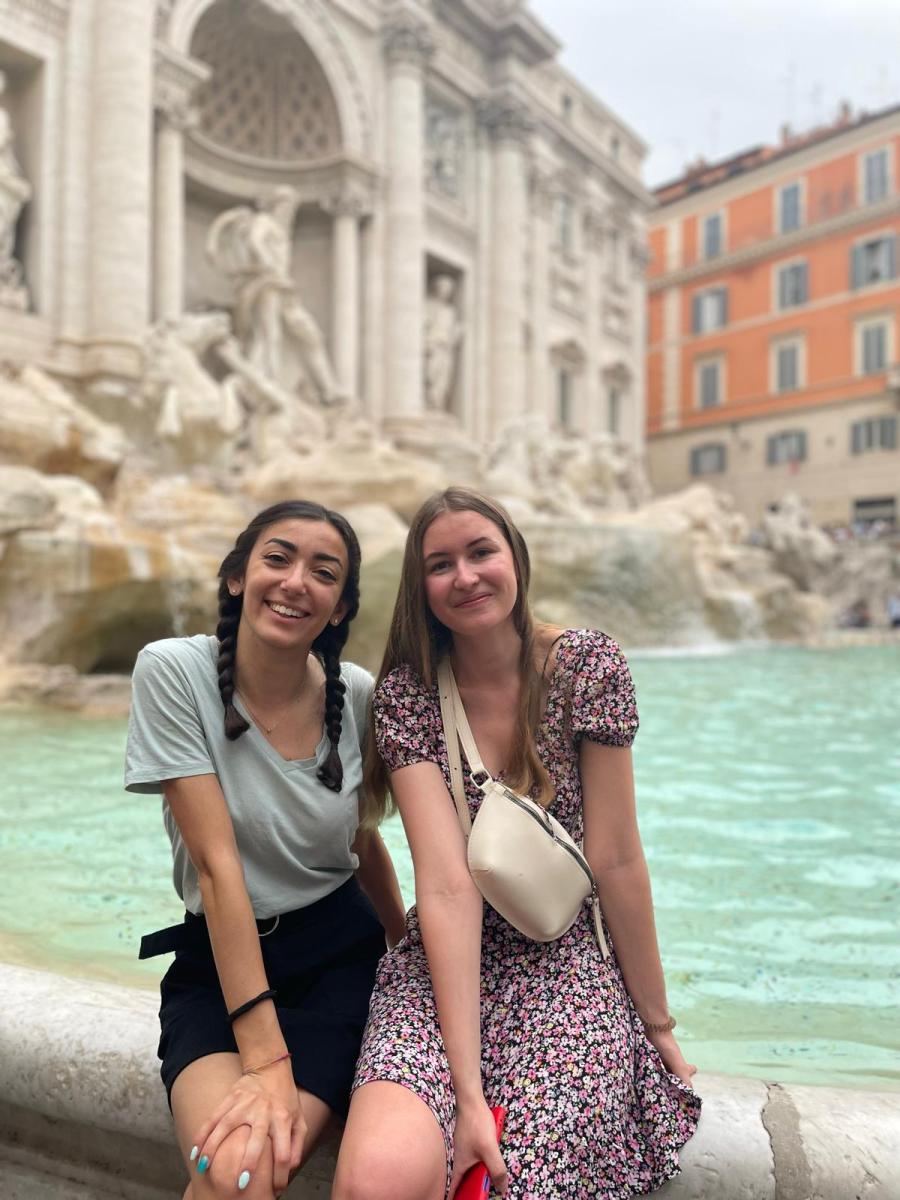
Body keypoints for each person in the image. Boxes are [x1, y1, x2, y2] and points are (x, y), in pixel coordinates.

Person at [332, 487, 701, 1200]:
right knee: (374, 1180)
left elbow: (617, 858)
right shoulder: (408, 695)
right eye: (440, 564)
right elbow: (447, 886)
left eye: (481, 552)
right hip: (444, 964)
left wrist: (656, 1023)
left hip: (565, 959)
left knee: (527, 1179)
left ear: (516, 559)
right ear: (420, 586)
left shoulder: (588, 667)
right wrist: (466, 1093)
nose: (465, 576)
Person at [125, 500, 407, 1200]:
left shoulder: (356, 695)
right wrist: (265, 1061)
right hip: (217, 964)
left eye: (324, 573)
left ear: (340, 609)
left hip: (337, 964)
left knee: (241, 1175)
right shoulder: (173, 670)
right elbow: (217, 869)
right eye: (278, 558)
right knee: (230, 1172)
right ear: (236, 577)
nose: (295, 582)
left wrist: (408, 954)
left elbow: (361, 839)